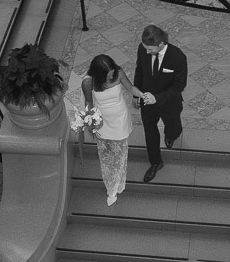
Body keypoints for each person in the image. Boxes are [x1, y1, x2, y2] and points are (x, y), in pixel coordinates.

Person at [81, 54, 147, 206]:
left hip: (120, 119)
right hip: (102, 120)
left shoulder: (118, 72)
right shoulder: (88, 82)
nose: (111, 76)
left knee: (120, 153)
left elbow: (130, 88)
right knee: (106, 154)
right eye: (107, 74)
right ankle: (111, 183)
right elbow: (89, 103)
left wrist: (143, 95)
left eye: (112, 72)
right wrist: (91, 121)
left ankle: (116, 185)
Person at [133, 24, 188, 183]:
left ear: (161, 44)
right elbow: (140, 70)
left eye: (150, 49)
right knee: (150, 133)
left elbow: (179, 85)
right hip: (147, 102)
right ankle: (156, 162)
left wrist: (158, 98)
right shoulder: (143, 49)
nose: (147, 52)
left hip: (169, 103)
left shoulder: (178, 57)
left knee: (173, 128)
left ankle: (172, 135)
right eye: (145, 48)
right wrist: (137, 94)